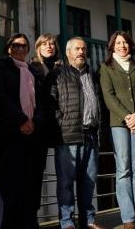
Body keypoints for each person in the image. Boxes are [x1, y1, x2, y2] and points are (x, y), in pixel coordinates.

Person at [45, 37, 106, 229]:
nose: (81, 52)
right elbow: (49, 103)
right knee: (66, 182)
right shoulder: (57, 74)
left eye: (84, 48)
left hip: (91, 135)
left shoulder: (93, 75)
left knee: (88, 182)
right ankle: (67, 221)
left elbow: (100, 103)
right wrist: (61, 121)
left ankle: (88, 220)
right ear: (68, 53)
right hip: (68, 135)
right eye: (77, 49)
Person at [0, 33, 47, 229]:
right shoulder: (1, 67)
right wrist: (22, 119)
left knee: (30, 183)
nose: (20, 49)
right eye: (16, 46)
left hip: (32, 136)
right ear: (8, 48)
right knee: (9, 184)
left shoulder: (33, 71)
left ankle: (28, 223)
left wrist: (35, 122)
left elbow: (41, 101)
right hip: (11, 134)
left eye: (24, 46)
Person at [99, 30, 135, 229]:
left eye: (125, 43)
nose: (122, 46)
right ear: (112, 46)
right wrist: (128, 117)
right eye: (118, 43)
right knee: (123, 169)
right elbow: (108, 96)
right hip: (119, 124)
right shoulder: (106, 68)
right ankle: (128, 219)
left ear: (130, 46)